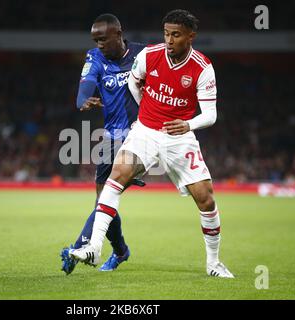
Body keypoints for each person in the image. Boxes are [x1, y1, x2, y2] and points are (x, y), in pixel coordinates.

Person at [70, 9, 234, 278]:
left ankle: (214, 263)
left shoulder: (202, 68)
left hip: (180, 139)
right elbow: (135, 85)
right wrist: (146, 113)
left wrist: (188, 124)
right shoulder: (149, 55)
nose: (169, 40)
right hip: (145, 131)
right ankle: (94, 247)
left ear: (191, 37)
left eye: (176, 35)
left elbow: (211, 114)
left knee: (205, 199)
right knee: (117, 176)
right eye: (167, 34)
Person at [60, 14, 146, 274]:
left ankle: (79, 247)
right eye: (95, 40)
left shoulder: (143, 55)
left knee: (107, 197)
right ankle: (120, 251)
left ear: (119, 34)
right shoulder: (94, 57)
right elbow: (85, 86)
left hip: (139, 136)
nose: (98, 44)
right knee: (103, 202)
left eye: (103, 39)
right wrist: (82, 101)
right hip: (111, 139)